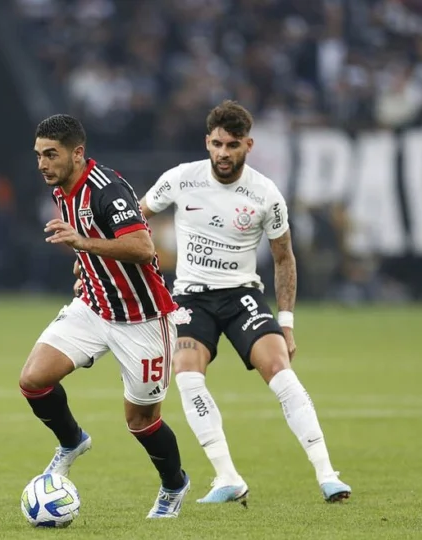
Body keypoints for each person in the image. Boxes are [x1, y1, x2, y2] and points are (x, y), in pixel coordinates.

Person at [139, 100, 351, 504]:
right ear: (207, 141)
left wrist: (286, 322)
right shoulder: (181, 179)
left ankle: (328, 474)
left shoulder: (265, 194)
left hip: (241, 297)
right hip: (191, 297)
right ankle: (227, 477)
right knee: (185, 371)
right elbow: (135, 216)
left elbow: (284, 257)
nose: (223, 153)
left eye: (232, 145)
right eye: (217, 144)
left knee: (279, 369)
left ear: (248, 146)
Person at [19, 114, 190, 519]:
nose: (42, 163)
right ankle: (72, 440)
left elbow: (143, 246)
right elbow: (93, 243)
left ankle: (174, 485)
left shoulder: (106, 189)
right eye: (38, 155)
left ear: (77, 154)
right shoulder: (62, 187)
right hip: (95, 306)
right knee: (34, 380)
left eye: (51, 155)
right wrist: (85, 262)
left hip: (142, 317)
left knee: (141, 421)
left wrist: (83, 243)